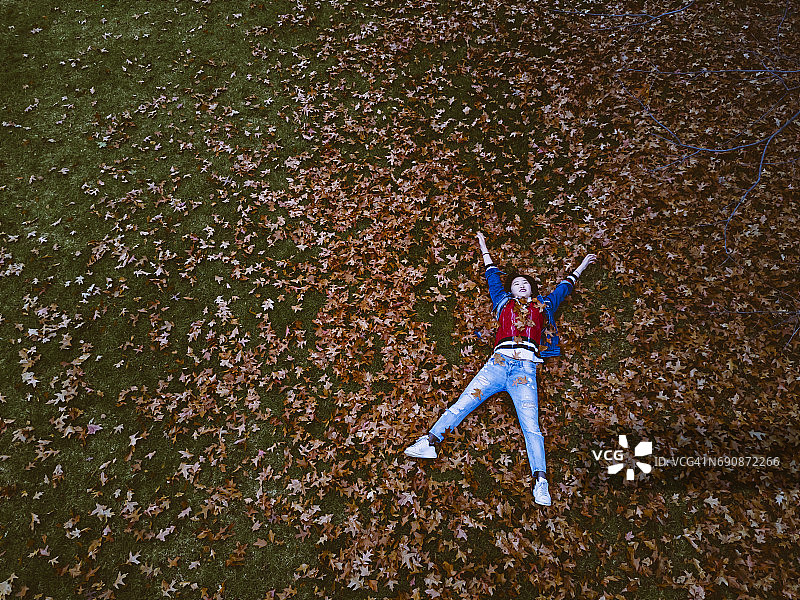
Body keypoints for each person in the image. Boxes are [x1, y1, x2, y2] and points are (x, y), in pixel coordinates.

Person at [404, 232, 597, 506]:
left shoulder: (543, 306)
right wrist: (483, 246)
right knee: (463, 403)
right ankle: (430, 441)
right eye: (516, 283)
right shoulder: (503, 303)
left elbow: (563, 289)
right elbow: (492, 275)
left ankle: (541, 482)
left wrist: (582, 266)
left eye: (524, 284)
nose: (520, 286)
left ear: (532, 290)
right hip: (497, 365)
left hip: (524, 372)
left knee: (532, 427)